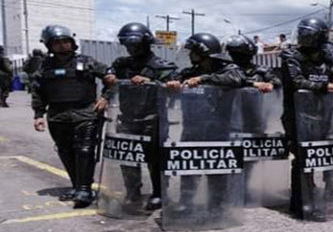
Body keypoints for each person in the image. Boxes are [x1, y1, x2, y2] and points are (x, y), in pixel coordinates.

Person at [280, 18, 333, 220]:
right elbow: (296, 81)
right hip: (298, 116)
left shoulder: (327, 58)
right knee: (302, 158)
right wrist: (328, 87)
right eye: (303, 33)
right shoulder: (291, 56)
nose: (304, 38)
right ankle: (301, 202)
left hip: (325, 114)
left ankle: (329, 197)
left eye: (309, 34)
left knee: (328, 155)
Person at [31, 25, 112, 208]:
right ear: (49, 45)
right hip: (57, 116)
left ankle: (84, 189)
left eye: (65, 41)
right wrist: (38, 115)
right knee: (65, 151)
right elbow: (38, 91)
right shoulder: (44, 66)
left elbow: (110, 78)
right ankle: (77, 186)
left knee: (84, 151)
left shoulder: (87, 61)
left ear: (72, 43)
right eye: (57, 43)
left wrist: (105, 97)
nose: (61, 45)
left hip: (85, 113)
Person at [166, 33, 246, 214]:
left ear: (203, 52)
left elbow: (237, 79)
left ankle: (217, 205)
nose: (189, 55)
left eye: (192, 52)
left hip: (217, 127)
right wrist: (171, 83)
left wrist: (204, 79)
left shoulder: (228, 68)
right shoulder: (190, 71)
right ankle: (186, 202)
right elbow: (172, 78)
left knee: (217, 168)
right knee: (189, 166)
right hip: (192, 126)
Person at [104, 22, 179, 211]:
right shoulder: (122, 64)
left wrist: (152, 81)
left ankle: (159, 193)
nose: (131, 48)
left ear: (146, 44)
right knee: (128, 157)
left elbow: (175, 87)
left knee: (155, 159)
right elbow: (110, 82)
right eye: (128, 45)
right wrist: (106, 91)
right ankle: (132, 192)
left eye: (135, 44)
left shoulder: (162, 66)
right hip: (127, 117)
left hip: (153, 118)